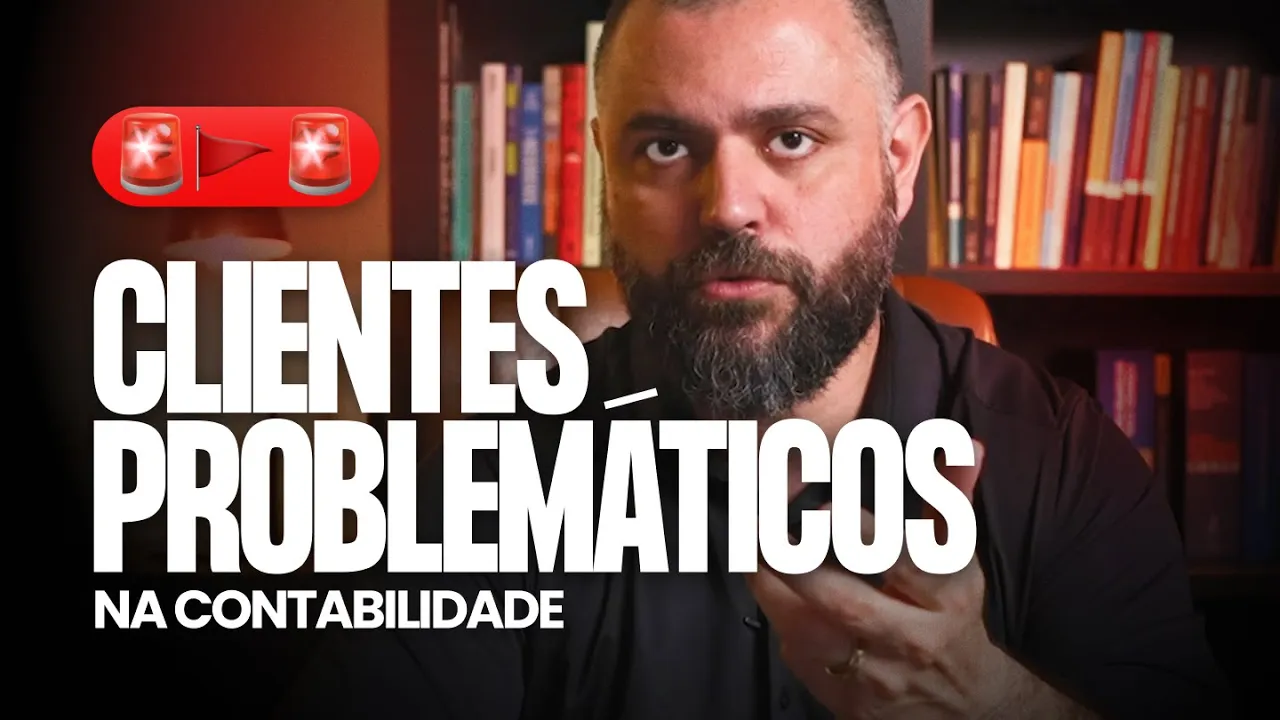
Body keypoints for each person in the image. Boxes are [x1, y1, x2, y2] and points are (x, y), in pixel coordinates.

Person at [279, 0, 1228, 717]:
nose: (728, 205)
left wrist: (991, 703)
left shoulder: (1064, 463)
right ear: (606, 167)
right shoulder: (482, 489)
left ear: (899, 160)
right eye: (664, 146)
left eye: (791, 138)